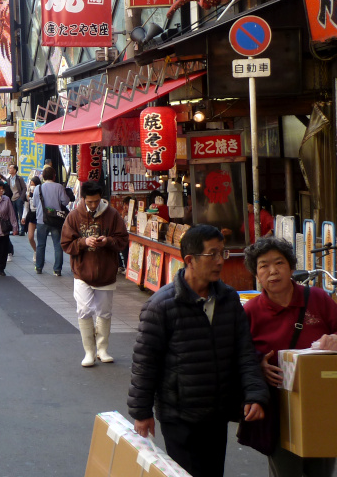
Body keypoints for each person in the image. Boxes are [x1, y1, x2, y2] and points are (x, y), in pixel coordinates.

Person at [127, 224, 269, 477]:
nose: (219, 261)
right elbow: (145, 363)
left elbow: (244, 352)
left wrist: (255, 394)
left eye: (222, 253)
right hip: (179, 416)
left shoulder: (228, 300)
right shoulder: (161, 306)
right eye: (212, 254)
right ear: (190, 260)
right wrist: (141, 413)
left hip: (217, 413)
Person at [241, 237, 337, 476]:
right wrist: (258, 363)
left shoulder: (317, 298)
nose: (272, 271)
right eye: (263, 266)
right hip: (277, 410)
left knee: (322, 470)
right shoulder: (250, 311)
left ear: (291, 267)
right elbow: (238, 354)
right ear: (256, 273)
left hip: (321, 402)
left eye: (279, 263)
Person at [60, 180, 129, 366]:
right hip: (82, 272)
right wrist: (83, 242)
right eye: (89, 201)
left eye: (96, 201)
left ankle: (103, 348)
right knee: (83, 310)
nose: (93, 205)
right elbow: (66, 243)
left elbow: (123, 240)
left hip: (106, 272)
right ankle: (89, 351)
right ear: (83, 199)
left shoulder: (112, 215)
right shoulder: (74, 216)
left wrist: (107, 241)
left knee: (104, 312)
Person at [33, 166, 70, 276]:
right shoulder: (59, 187)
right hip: (56, 219)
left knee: (41, 244)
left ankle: (39, 267)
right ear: (54, 176)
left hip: (41, 219)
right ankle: (57, 269)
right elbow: (65, 201)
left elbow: (35, 204)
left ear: (43, 176)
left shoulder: (38, 188)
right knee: (57, 245)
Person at [21, 176, 41, 262]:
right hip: (32, 215)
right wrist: (23, 217)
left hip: (40, 215)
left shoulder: (41, 192)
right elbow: (26, 207)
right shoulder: (28, 194)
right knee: (30, 236)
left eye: (33, 184)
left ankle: (40, 254)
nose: (32, 186)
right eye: (31, 184)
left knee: (40, 237)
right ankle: (35, 250)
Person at [7, 164, 27, 236]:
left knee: (21, 214)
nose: (9, 169)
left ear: (15, 170)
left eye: (11, 168)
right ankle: (16, 229)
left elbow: (24, 188)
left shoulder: (19, 178)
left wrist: (21, 197)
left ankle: (23, 229)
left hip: (18, 198)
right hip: (12, 199)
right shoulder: (8, 179)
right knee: (14, 215)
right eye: (9, 168)